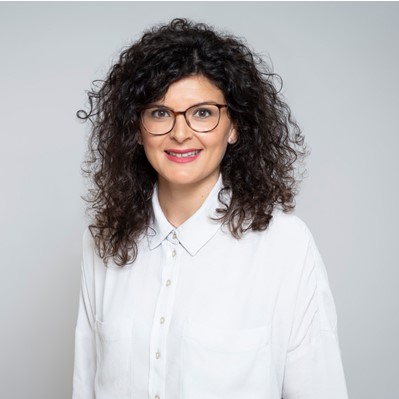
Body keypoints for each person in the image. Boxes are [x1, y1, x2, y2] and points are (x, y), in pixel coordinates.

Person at [73, 18, 348, 399]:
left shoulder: (286, 246)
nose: (180, 132)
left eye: (202, 112)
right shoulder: (102, 242)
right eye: (159, 112)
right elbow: (85, 385)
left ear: (233, 126)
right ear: (136, 128)